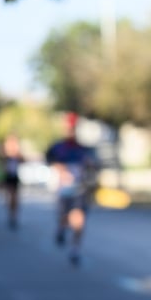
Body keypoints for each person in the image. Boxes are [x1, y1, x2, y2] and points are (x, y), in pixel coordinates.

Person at [45, 112, 99, 266]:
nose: (71, 131)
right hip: (63, 190)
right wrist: (61, 169)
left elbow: (93, 165)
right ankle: (61, 230)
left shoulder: (84, 149)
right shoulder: (57, 147)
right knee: (64, 219)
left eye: (73, 128)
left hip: (79, 190)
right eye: (68, 128)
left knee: (79, 220)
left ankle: (75, 249)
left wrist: (90, 167)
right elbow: (49, 160)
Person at [1, 135, 24, 230]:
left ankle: (14, 215)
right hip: (8, 177)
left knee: (15, 198)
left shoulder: (17, 155)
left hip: (15, 177)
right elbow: (2, 166)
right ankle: (11, 214)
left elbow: (23, 160)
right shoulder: (5, 155)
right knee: (10, 196)